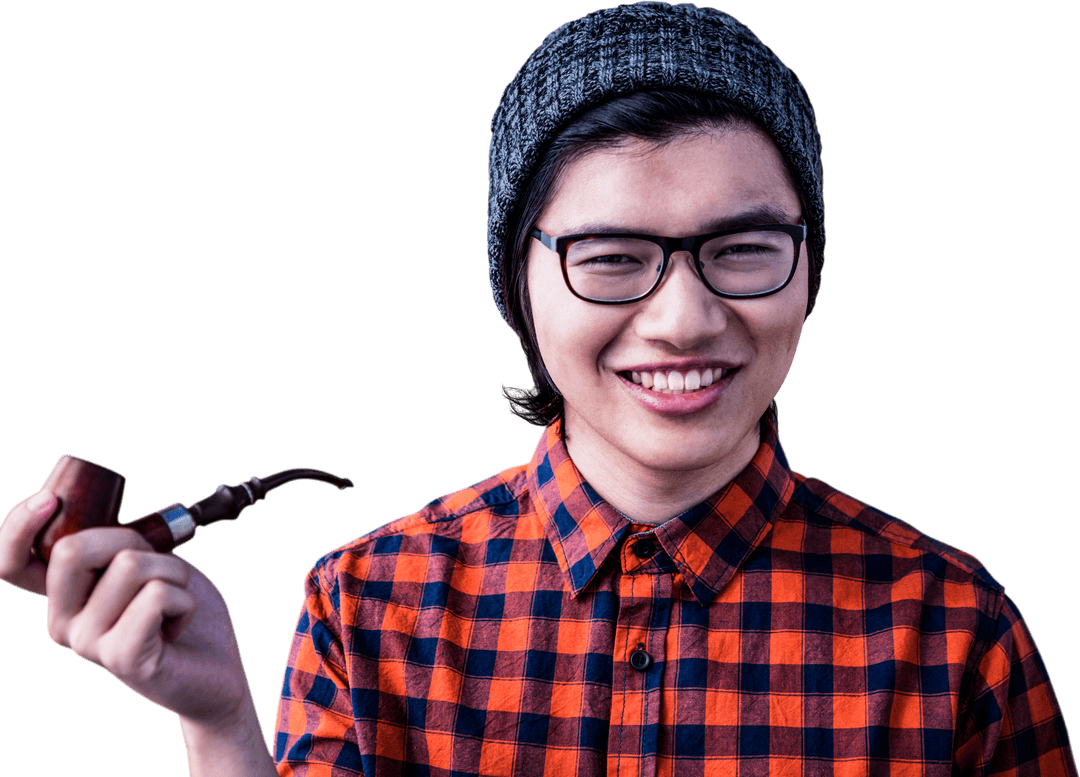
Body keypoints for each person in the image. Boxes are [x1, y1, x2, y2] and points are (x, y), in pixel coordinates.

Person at [0, 3, 1075, 776]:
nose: (686, 318)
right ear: (519, 284)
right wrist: (221, 727)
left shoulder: (954, 631)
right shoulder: (365, 611)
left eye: (744, 249)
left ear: (812, 261)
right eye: (612, 257)